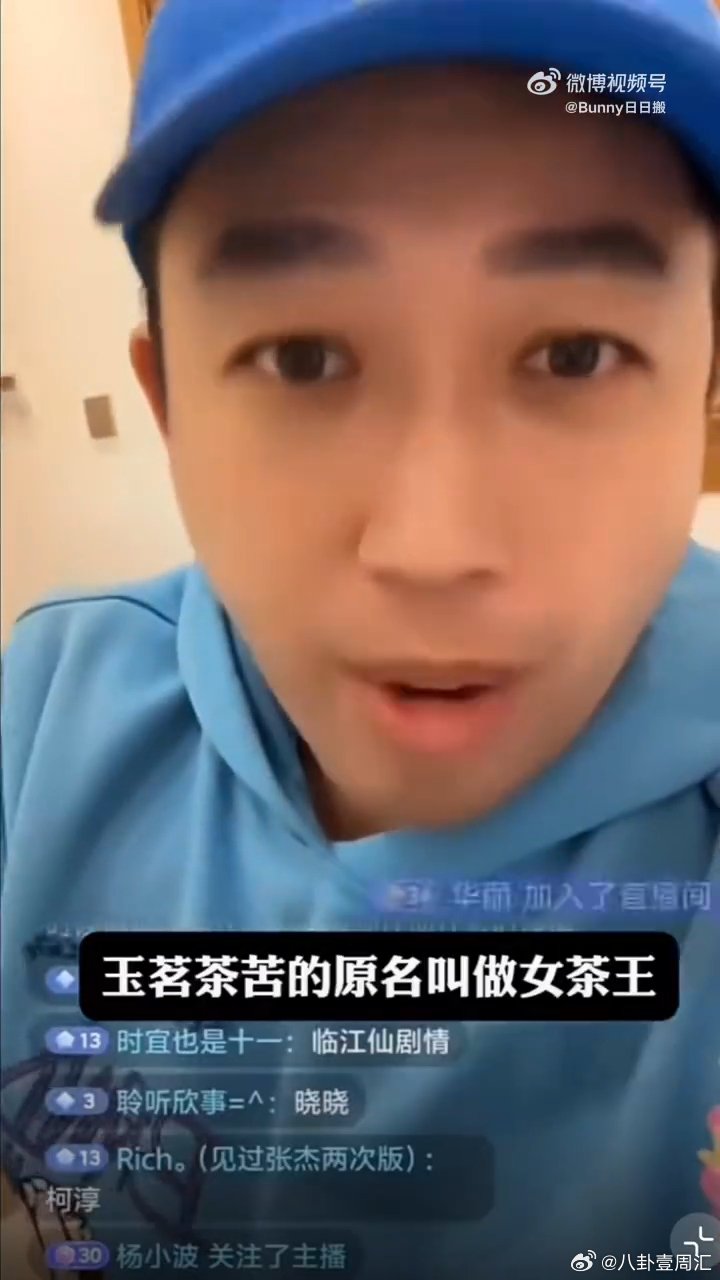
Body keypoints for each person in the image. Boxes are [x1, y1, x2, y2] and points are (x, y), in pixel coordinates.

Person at [2, 0, 719, 1276]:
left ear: (706, 382)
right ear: (169, 406)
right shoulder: (40, 728)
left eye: (574, 353)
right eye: (302, 358)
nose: (433, 547)